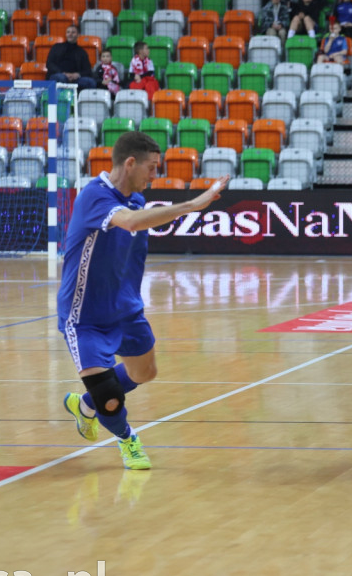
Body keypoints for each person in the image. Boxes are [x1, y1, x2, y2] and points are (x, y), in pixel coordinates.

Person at [59, 131, 228, 469]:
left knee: (145, 372)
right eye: (152, 168)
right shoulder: (95, 196)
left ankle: (85, 404)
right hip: (86, 315)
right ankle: (127, 438)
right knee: (111, 398)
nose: (155, 175)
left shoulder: (136, 199)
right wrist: (194, 204)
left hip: (125, 310)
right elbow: (131, 222)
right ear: (130, 163)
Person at [47, 25, 96, 90]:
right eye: (68, 32)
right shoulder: (56, 47)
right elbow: (49, 64)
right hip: (59, 75)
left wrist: (77, 74)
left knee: (90, 82)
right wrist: (63, 73)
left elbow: (88, 70)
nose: (70, 34)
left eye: (73, 32)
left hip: (76, 79)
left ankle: (80, 99)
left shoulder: (82, 52)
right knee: (61, 78)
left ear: (78, 35)